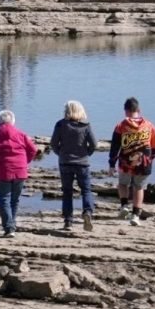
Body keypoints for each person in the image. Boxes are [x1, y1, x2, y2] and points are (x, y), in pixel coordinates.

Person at [0, 108, 41, 237]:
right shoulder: (20, 134)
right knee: (14, 200)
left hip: (3, 171)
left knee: (4, 200)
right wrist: (24, 162)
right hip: (20, 171)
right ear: (13, 121)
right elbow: (33, 150)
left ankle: (9, 228)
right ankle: (11, 225)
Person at [49, 99, 98, 233]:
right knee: (86, 190)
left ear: (66, 111)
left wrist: (60, 153)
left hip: (65, 162)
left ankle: (68, 221)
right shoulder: (86, 126)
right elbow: (94, 144)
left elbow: (53, 143)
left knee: (67, 192)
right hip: (82, 163)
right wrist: (87, 153)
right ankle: (87, 211)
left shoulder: (60, 124)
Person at [110, 97, 155, 223]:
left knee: (123, 184)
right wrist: (152, 157)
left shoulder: (121, 126)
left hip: (125, 161)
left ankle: (124, 206)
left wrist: (111, 163)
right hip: (144, 162)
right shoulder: (149, 125)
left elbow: (115, 146)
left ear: (125, 111)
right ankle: (136, 215)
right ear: (139, 110)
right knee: (139, 187)